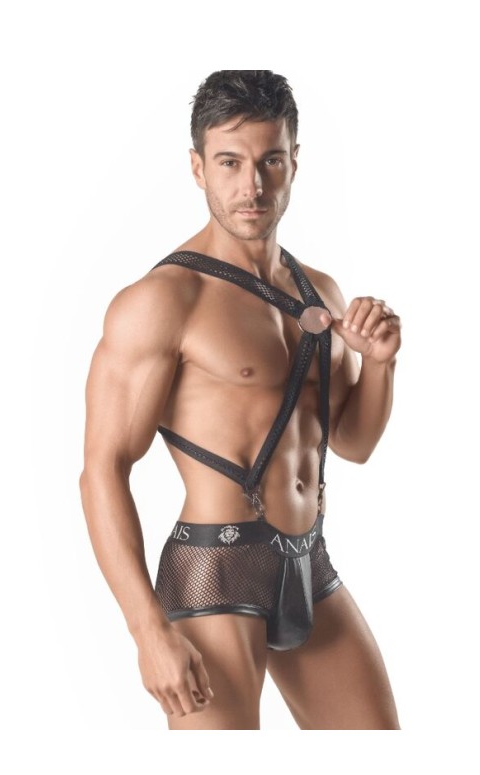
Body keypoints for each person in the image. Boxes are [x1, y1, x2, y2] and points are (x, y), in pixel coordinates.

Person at [79, 70, 402, 730]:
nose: (251, 186)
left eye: (269, 161)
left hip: (308, 560)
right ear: (198, 167)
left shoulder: (321, 292)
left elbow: (354, 444)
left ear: (293, 162)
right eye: (229, 162)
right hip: (216, 569)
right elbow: (102, 470)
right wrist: (147, 630)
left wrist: (380, 364)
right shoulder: (163, 301)